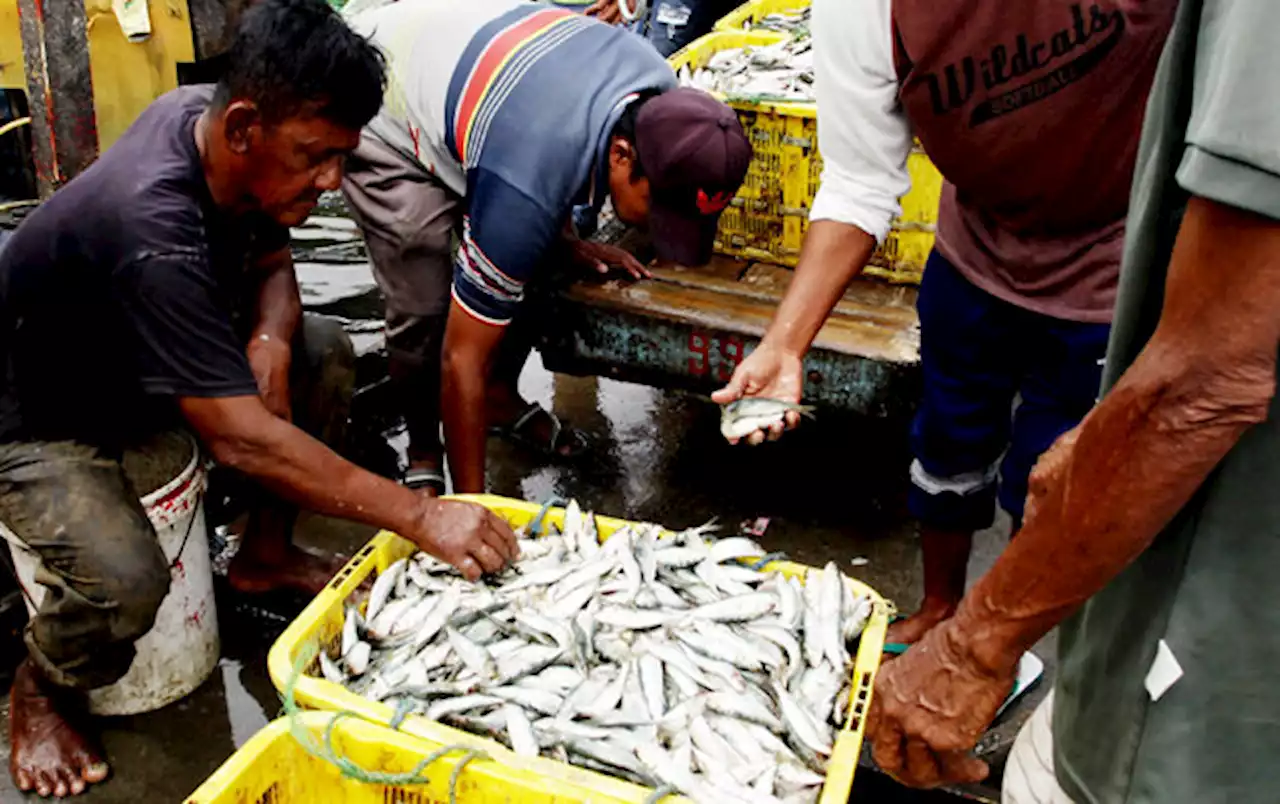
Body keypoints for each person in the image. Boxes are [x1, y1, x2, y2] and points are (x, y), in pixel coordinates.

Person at [0, 1, 517, 797]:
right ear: (243, 126)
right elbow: (241, 440)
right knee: (127, 579)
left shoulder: (206, 128)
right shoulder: (153, 224)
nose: (334, 180)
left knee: (321, 352)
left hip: (137, 362)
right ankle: (40, 689)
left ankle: (263, 558)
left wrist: (272, 337)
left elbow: (274, 262)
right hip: (39, 413)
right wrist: (421, 516)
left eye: (343, 155)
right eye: (316, 156)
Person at [865, 0, 1280, 799]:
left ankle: (1023, 644)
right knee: (962, 444)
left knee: (1052, 482)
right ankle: (957, 608)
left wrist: (975, 651)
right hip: (982, 266)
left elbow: (1207, 381)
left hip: (1209, 691)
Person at [712, 0, 1176, 648]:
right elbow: (858, 180)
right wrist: (785, 344)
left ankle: (998, 644)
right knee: (948, 446)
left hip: (1113, 273)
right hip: (974, 257)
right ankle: (939, 608)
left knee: (1054, 485)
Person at [341, 0, 751, 495]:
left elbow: (555, 147)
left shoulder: (660, 91)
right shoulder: (527, 181)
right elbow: (460, 358)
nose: (655, 227)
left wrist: (566, 243)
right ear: (623, 156)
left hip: (490, 95)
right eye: (658, 209)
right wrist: (475, 507)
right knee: (424, 303)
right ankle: (425, 453)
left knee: (537, 253)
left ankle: (494, 398)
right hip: (383, 94)